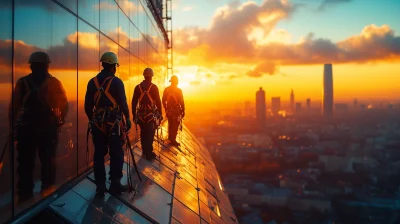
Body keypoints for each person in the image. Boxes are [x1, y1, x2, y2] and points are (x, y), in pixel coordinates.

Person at [10, 51, 68, 203]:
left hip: (26, 129)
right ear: (46, 65)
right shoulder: (54, 83)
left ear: (31, 66)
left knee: (25, 164)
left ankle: (25, 195)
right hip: (47, 129)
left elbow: (14, 108)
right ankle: (47, 193)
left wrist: (13, 126)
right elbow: (64, 104)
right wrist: (60, 119)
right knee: (48, 163)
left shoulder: (22, 83)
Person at [84, 52, 132, 196]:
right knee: (116, 152)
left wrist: (93, 120)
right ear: (113, 67)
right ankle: (115, 184)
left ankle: (100, 185)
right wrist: (128, 118)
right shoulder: (117, 82)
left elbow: (87, 106)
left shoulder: (92, 82)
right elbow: (122, 103)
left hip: (98, 125)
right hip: (114, 125)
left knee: (99, 153)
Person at [131, 68, 162, 161]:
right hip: (150, 115)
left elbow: (134, 101)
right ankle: (148, 153)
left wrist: (134, 114)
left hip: (140, 115)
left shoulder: (138, 87)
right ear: (151, 77)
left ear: (144, 76)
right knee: (150, 134)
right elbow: (158, 102)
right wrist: (160, 113)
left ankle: (145, 151)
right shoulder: (154, 87)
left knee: (143, 133)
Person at [162, 75, 185, 146]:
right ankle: (173, 139)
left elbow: (163, 100)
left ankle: (170, 137)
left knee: (170, 123)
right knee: (175, 124)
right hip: (176, 111)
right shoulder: (178, 91)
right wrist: (183, 110)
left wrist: (166, 108)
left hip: (169, 110)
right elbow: (181, 101)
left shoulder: (167, 90)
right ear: (177, 82)